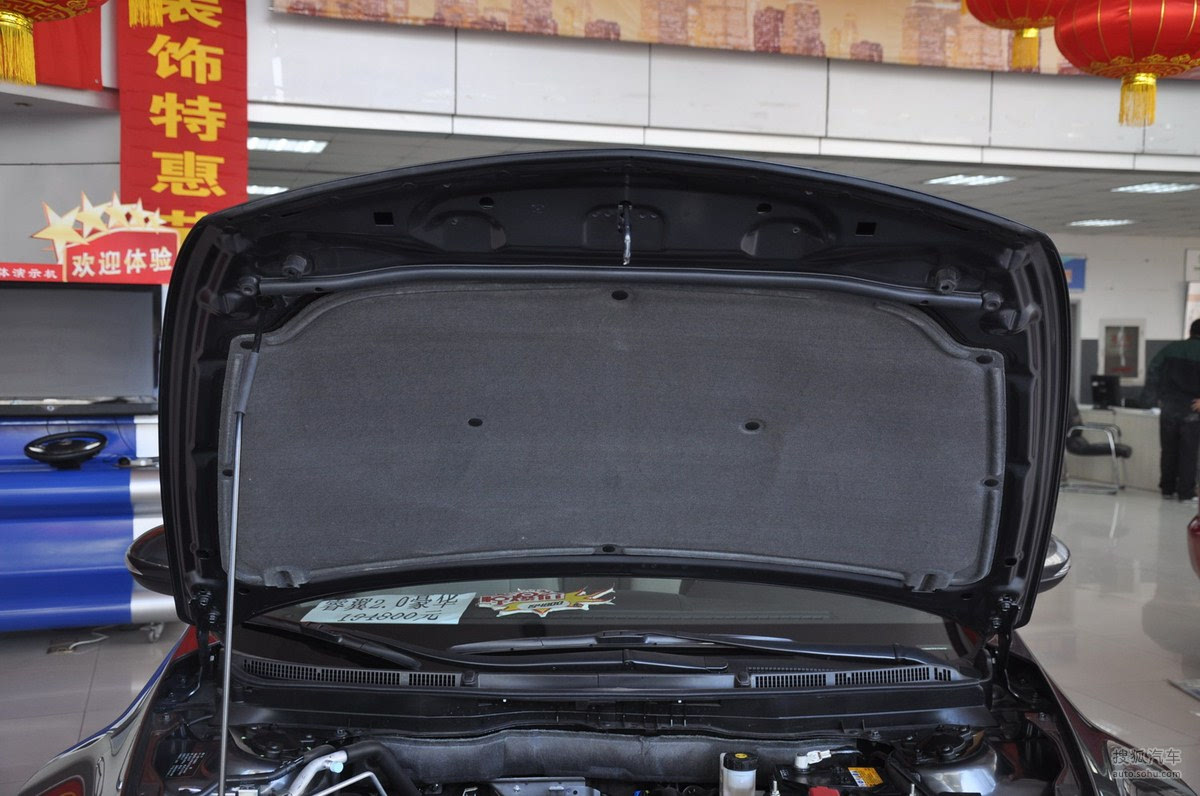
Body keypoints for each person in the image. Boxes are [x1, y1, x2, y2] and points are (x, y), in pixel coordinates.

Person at [1144, 319, 1200, 500]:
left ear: (1190, 331)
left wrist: (1157, 398)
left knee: (1168, 450)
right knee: (1188, 453)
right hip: (1193, 409)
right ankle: (1186, 492)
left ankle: (1167, 489)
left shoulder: (1170, 349)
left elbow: (1153, 370)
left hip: (1169, 408)